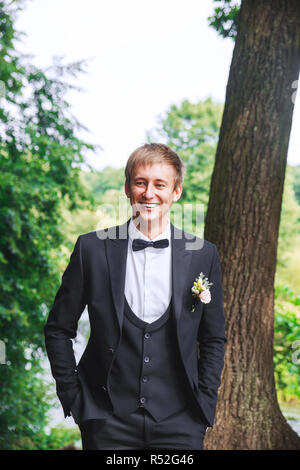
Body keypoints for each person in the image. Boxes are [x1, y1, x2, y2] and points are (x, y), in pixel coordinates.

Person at [44, 142, 227, 450]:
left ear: (176, 192)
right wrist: (75, 398)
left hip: (181, 422)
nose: (149, 193)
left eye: (160, 184)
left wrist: (205, 402)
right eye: (140, 182)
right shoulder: (92, 249)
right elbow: (59, 330)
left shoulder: (203, 255)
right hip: (106, 420)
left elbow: (213, 338)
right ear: (128, 189)